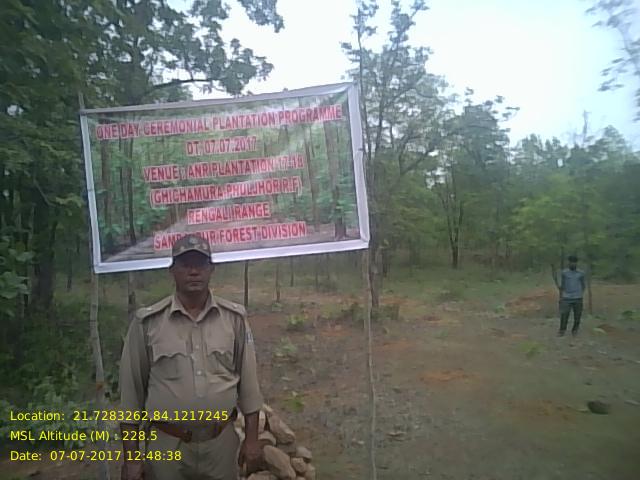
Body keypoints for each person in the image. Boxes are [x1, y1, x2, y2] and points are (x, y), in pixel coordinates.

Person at [119, 234, 264, 480]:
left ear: (211, 269)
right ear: (172, 271)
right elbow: (131, 395)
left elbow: (249, 386)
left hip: (221, 444)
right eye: (186, 265)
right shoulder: (148, 323)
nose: (194, 272)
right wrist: (131, 458)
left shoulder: (233, 320)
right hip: (167, 445)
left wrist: (251, 440)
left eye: (200, 264)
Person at [556, 255, 586, 337]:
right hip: (567, 297)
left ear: (576, 263)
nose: (573, 264)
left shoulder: (581, 273)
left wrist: (580, 293)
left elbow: (583, 285)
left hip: (578, 297)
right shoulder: (564, 273)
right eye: (571, 262)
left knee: (577, 316)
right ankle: (562, 330)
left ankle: (575, 330)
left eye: (574, 262)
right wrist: (562, 295)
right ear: (568, 263)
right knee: (564, 315)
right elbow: (562, 285)